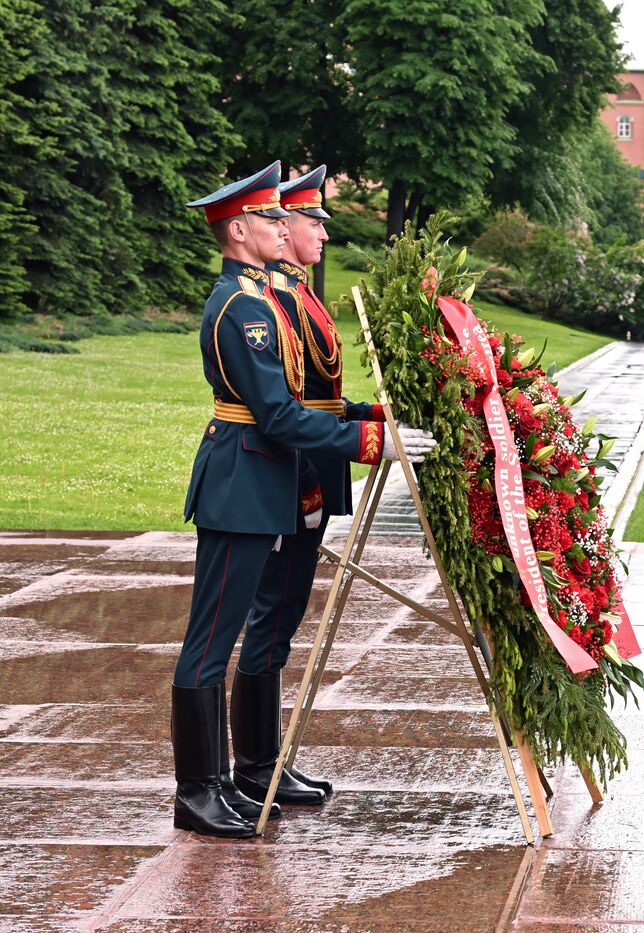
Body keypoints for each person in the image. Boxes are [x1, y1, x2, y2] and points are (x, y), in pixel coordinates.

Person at [173, 162, 437, 838]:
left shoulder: (257, 301)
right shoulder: (238, 308)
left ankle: (243, 771)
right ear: (240, 230)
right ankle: (198, 790)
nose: (286, 227)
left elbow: (303, 399)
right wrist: (372, 442)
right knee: (210, 642)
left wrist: (373, 418)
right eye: (272, 219)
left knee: (239, 631)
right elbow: (280, 418)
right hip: (241, 484)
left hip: (258, 483)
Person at [223, 165, 389, 810]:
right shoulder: (276, 300)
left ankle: (265, 761)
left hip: (311, 459)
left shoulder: (296, 293)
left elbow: (319, 393)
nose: (321, 230)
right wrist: (364, 435)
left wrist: (368, 413)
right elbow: (289, 402)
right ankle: (256, 765)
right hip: (294, 463)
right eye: (308, 219)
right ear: (280, 227)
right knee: (274, 610)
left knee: (285, 611)